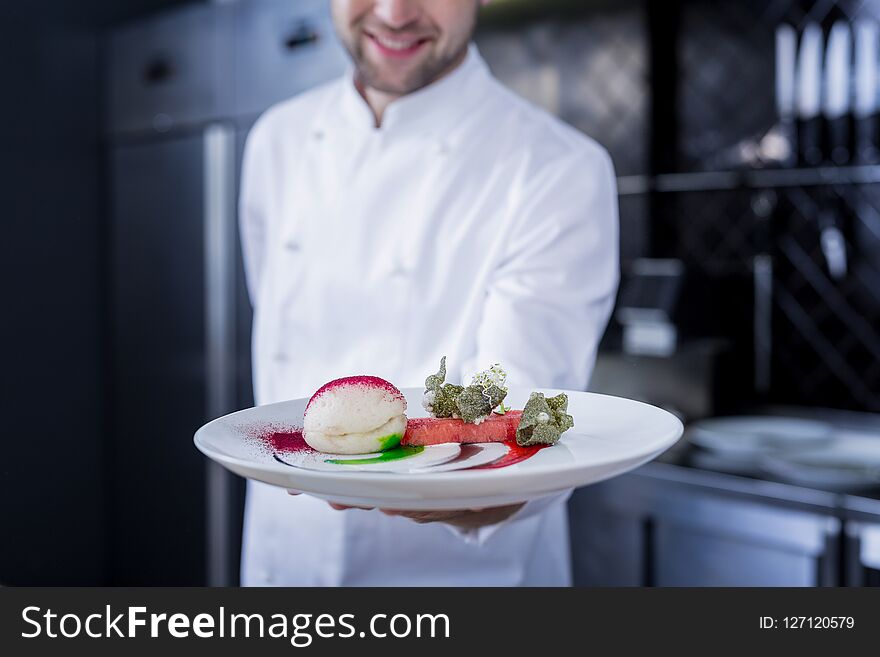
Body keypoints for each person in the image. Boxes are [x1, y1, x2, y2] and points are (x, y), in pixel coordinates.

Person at [238, 0, 619, 586]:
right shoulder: (278, 140)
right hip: (284, 557)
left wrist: (504, 489)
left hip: (461, 572)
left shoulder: (557, 168)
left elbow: (529, 409)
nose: (393, 14)